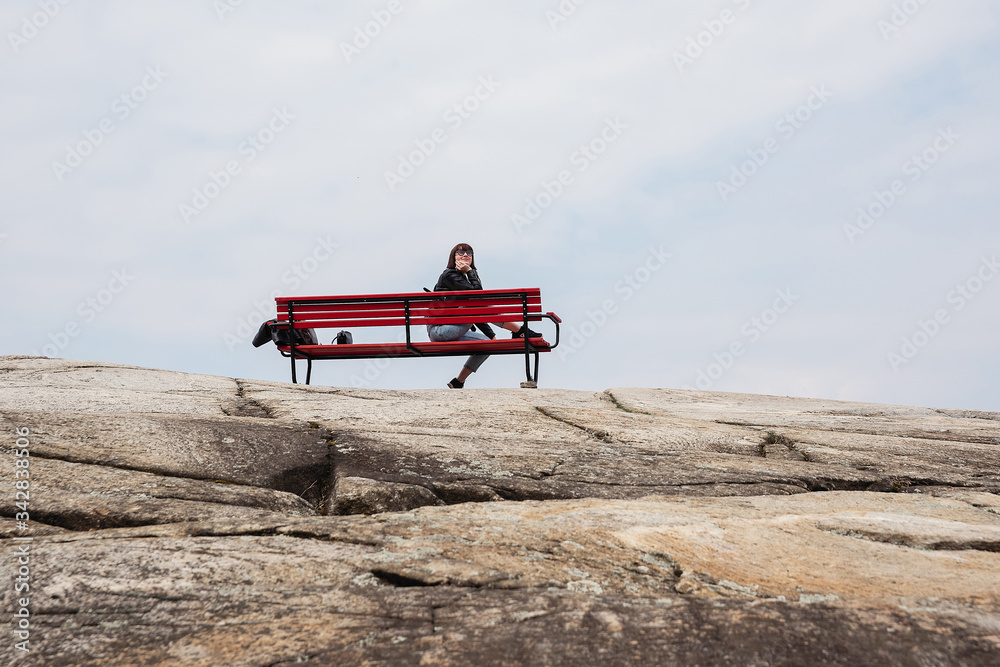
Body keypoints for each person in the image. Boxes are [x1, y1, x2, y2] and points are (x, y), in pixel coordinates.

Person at [429, 243, 538, 388]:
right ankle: (519, 331)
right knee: (474, 303)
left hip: (452, 328)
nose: (465, 255)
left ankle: (458, 381)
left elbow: (478, 309)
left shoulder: (466, 277)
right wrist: (470, 271)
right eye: (460, 252)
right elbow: (478, 299)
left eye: (469, 253)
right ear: (453, 257)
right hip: (441, 330)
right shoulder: (450, 275)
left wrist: (491, 335)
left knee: (487, 344)